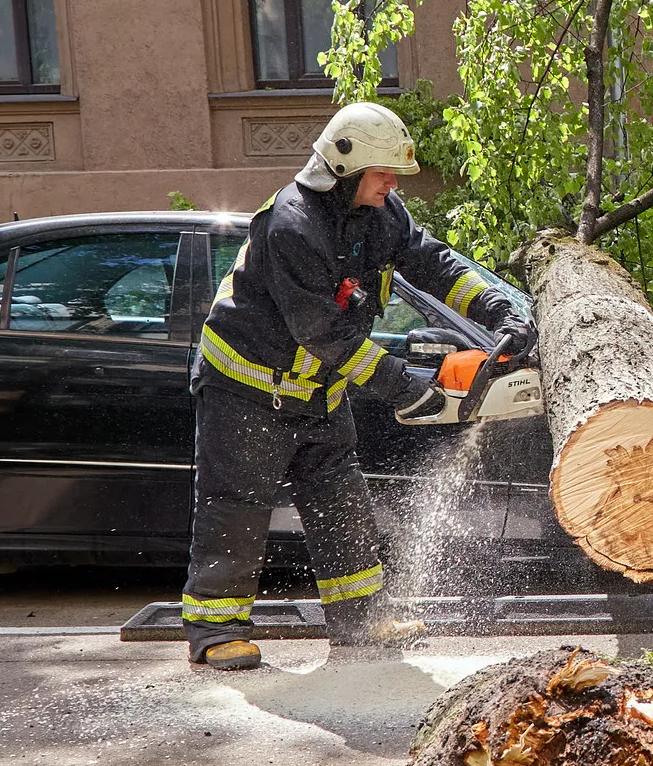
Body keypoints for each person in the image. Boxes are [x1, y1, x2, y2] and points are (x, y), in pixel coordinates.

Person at [180, 102, 534, 671]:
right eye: (383, 173)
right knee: (236, 507)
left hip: (317, 390)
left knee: (341, 499)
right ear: (343, 168)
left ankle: (360, 618)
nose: (393, 184)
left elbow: (433, 263)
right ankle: (215, 628)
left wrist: (501, 309)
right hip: (246, 389)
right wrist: (405, 387)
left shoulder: (381, 213)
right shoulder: (292, 225)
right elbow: (325, 332)